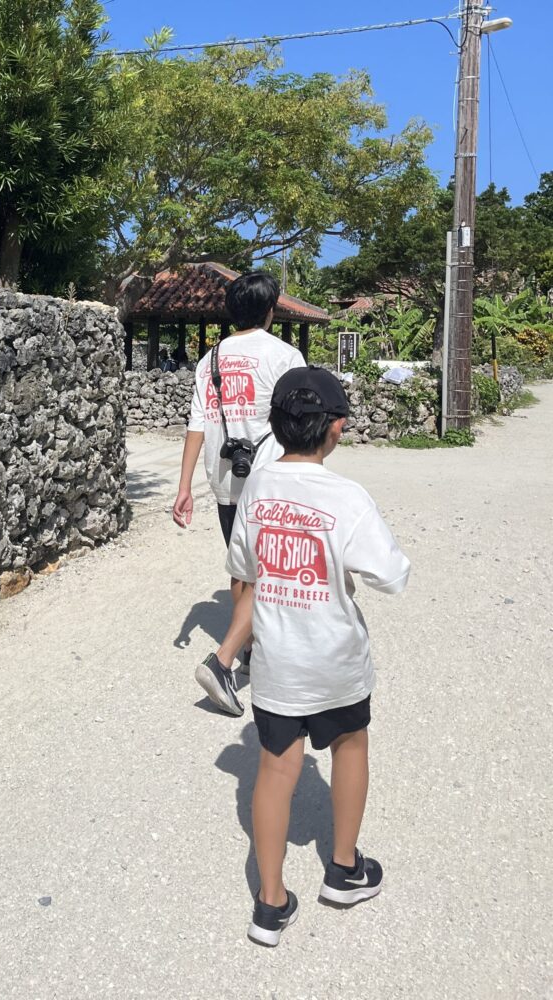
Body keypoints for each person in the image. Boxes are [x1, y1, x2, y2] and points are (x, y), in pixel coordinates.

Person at [211, 366, 410, 947]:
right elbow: (390, 575)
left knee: (275, 770)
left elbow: (243, 568)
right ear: (337, 428)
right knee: (351, 746)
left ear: (275, 426)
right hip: (336, 658)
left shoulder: (258, 490)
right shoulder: (346, 496)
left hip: (276, 663)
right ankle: (343, 869)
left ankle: (270, 904)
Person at [171, 271, 305, 711]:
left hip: (223, 477)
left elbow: (196, 424)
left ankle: (250, 650)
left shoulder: (208, 360)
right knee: (270, 568)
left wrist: (184, 486)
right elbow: (301, 422)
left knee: (241, 564)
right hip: (270, 477)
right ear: (271, 310)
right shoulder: (286, 356)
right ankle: (226, 659)